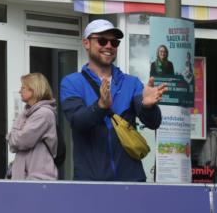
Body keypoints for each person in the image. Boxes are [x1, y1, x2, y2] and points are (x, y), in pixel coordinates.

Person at [60, 19, 166, 181]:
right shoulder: (72, 83)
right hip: (91, 184)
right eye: (102, 40)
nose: (109, 46)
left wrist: (148, 107)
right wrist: (100, 106)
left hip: (131, 183)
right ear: (86, 43)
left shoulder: (132, 83)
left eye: (114, 42)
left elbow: (153, 123)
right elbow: (77, 121)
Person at [7, 73, 59, 181]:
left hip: (38, 179)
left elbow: (22, 141)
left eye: (23, 87)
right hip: (23, 178)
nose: (20, 91)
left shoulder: (44, 113)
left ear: (34, 89)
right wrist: (14, 138)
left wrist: (13, 136)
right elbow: (13, 145)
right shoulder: (26, 112)